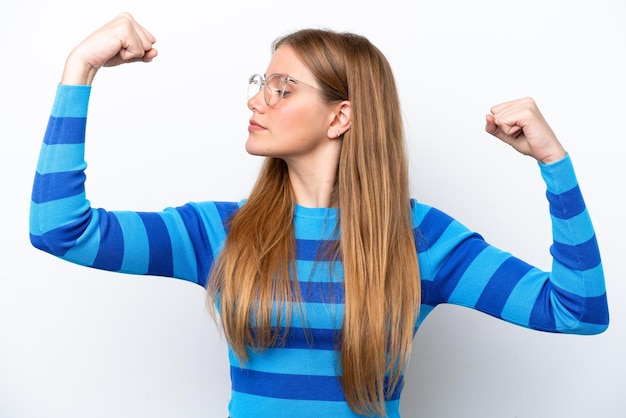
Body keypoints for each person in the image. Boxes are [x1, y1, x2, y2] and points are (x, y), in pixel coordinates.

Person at [29, 12, 609, 418]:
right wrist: (80, 67)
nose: (256, 100)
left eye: (282, 88)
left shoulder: (422, 240)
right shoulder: (217, 234)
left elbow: (578, 312)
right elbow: (60, 229)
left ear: (340, 117)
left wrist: (554, 163)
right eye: (263, 84)